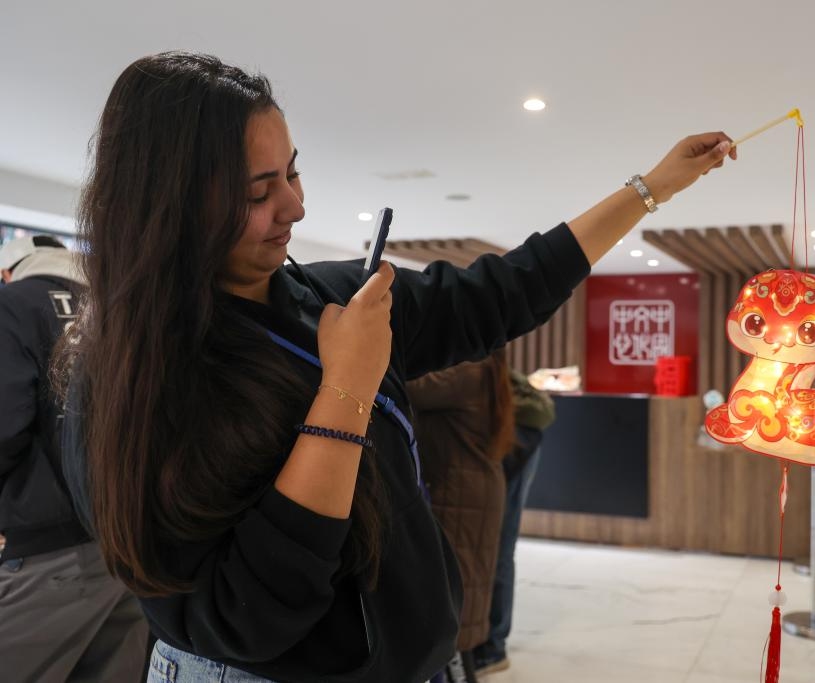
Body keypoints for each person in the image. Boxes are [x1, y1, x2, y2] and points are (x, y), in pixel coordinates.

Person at [59, 51, 736, 683]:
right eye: (259, 190)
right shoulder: (126, 384)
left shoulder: (327, 295)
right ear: (170, 207)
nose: (296, 206)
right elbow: (247, 611)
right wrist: (346, 387)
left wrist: (653, 187)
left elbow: (505, 290)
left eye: (292, 172)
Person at [0, 235, 148, 682]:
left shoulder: (15, 305)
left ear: (9, 271)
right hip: (127, 550)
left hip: (46, 552)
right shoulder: (117, 308)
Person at [407, 350, 517, 683]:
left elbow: (411, 387)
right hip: (468, 487)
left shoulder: (466, 367)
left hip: (461, 493)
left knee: (458, 599)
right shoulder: (479, 363)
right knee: (462, 593)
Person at [473, 369, 556, 676]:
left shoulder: (466, 356)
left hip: (513, 439)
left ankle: (493, 646)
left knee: (498, 547)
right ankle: (490, 642)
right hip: (514, 436)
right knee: (497, 546)